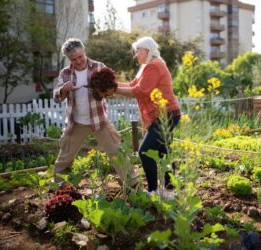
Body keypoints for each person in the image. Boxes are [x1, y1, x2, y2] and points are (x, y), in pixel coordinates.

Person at [90, 37, 181, 197]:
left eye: (137, 51)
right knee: (164, 152)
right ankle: (169, 191)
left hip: (165, 114)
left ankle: (153, 191)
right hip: (164, 114)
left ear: (146, 50)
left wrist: (112, 89)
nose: (136, 55)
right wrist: (112, 86)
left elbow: (141, 91)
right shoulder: (148, 66)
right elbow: (133, 85)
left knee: (145, 151)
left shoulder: (154, 65)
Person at [52, 38, 137, 186]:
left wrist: (103, 90)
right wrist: (63, 89)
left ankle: (133, 186)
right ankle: (61, 190)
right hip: (76, 123)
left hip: (99, 120)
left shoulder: (99, 67)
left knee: (117, 153)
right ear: (69, 58)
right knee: (64, 158)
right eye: (74, 59)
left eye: (80, 56)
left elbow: (110, 89)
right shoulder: (65, 73)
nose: (78, 61)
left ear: (84, 51)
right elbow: (56, 97)